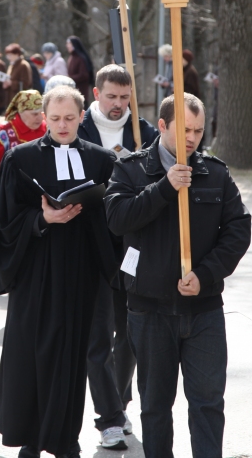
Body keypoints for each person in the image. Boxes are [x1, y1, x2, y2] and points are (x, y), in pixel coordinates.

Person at [106, 93, 251, 458]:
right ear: (163, 126)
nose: (192, 138)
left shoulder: (214, 173)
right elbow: (118, 220)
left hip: (202, 311)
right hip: (149, 310)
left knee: (207, 404)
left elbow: (238, 231)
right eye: (185, 129)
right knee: (155, 407)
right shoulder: (131, 169)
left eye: (199, 131)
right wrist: (165, 187)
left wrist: (206, 275)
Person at [0, 85, 120, 458]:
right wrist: (41, 218)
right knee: (33, 354)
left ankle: (64, 439)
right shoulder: (20, 159)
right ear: (46, 117)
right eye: (56, 118)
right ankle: (31, 438)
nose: (63, 126)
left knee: (74, 357)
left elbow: (116, 217)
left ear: (81, 116)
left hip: (82, 271)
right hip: (36, 271)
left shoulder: (101, 160)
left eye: (70, 118)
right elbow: (4, 220)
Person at [75, 64, 158, 448]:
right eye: (111, 96)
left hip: (132, 245)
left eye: (125, 98)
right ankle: (102, 413)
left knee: (129, 333)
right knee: (97, 335)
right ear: (96, 94)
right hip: (90, 245)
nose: (119, 105)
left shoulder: (145, 133)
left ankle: (120, 403)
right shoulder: (77, 131)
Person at [0, 90, 47, 184]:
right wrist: (4, 187)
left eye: (41, 113)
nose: (40, 118)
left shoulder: (49, 129)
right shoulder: (1, 134)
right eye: (35, 114)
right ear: (21, 112)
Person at [66, 36, 94, 104]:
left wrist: (70, 78)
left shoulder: (80, 58)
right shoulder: (72, 57)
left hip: (81, 92)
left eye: (69, 44)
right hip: (73, 91)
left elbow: (84, 75)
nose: (67, 46)